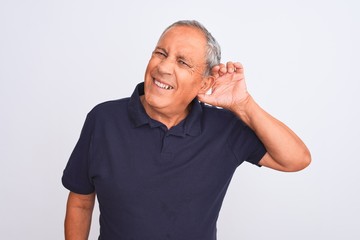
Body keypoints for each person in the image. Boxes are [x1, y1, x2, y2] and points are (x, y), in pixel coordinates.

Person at [62, 20, 311, 240]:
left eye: (182, 62)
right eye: (161, 53)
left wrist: (243, 104)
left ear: (205, 83)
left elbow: (296, 159)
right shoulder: (103, 119)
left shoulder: (225, 129)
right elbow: (81, 203)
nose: (164, 68)